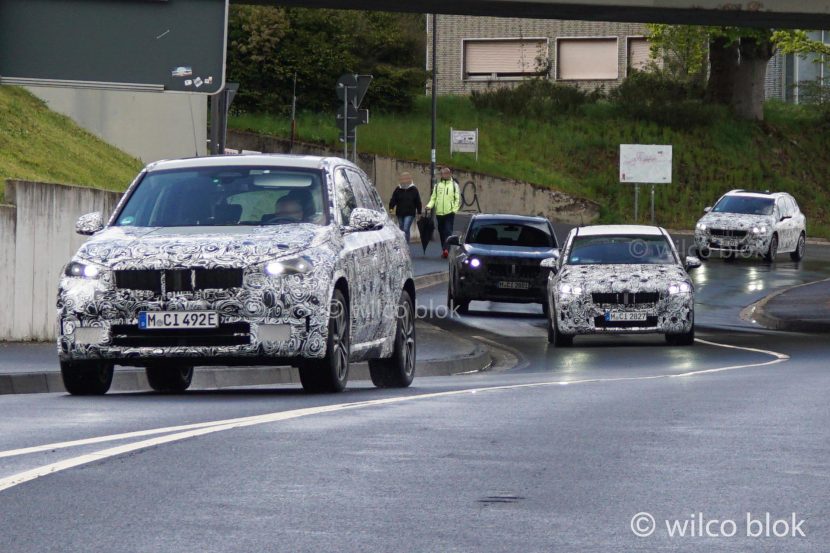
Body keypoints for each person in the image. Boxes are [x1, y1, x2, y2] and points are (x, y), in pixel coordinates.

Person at [426, 166, 461, 258]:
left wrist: (454, 210)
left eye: (446, 173)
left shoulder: (454, 185)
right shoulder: (437, 186)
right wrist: (429, 206)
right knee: (441, 232)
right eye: (443, 173)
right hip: (439, 213)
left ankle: (446, 249)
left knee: (448, 231)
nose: (444, 175)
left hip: (449, 213)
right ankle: (444, 249)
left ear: (449, 174)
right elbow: (433, 198)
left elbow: (457, 199)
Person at [388, 172, 422, 242]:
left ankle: (406, 244)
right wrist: (391, 208)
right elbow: (393, 199)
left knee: (406, 228)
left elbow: (418, 201)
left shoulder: (414, 189)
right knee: (401, 228)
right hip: (400, 212)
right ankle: (403, 244)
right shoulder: (398, 189)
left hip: (410, 213)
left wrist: (419, 212)